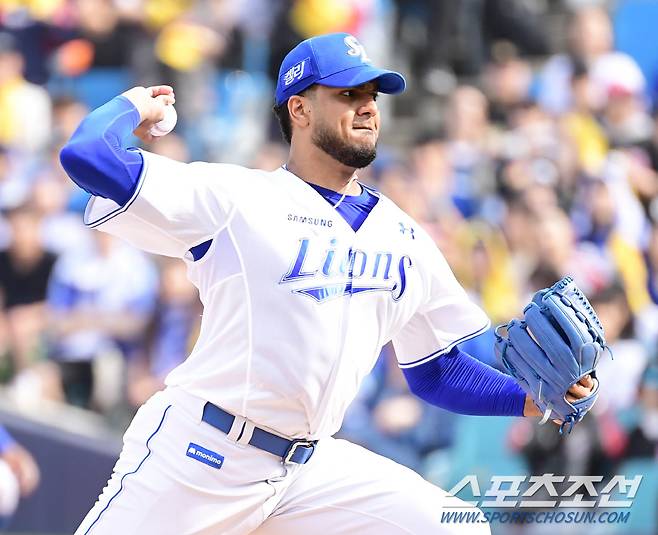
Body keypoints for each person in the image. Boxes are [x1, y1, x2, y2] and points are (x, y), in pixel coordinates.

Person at [60, 33, 595, 535]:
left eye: (372, 95)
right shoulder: (235, 197)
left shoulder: (405, 236)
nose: (367, 106)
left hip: (308, 469)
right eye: (347, 93)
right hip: (203, 454)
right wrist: (135, 104)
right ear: (299, 108)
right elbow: (87, 155)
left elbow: (435, 369)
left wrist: (526, 399)